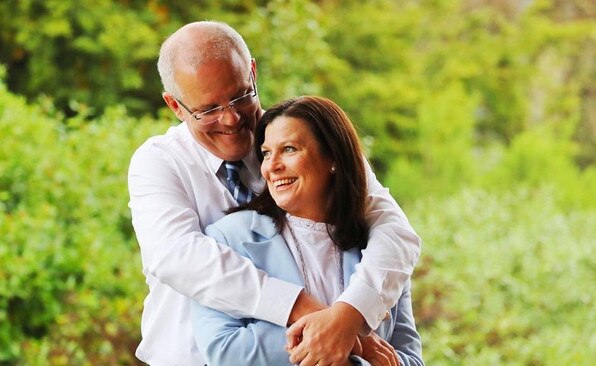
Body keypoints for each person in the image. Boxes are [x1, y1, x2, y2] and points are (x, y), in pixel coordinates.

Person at [128, 21, 421, 366]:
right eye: (208, 109)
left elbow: (394, 230)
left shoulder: (311, 134)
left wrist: (349, 316)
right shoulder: (159, 162)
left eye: (240, 95)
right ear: (175, 106)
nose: (231, 118)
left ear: (253, 73)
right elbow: (179, 257)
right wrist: (327, 324)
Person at [191, 96, 424, 366]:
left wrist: (343, 346)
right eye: (266, 153)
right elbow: (224, 350)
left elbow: (409, 359)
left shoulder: (380, 250)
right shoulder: (230, 237)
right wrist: (351, 344)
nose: (272, 166)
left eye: (289, 149)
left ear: (333, 158)